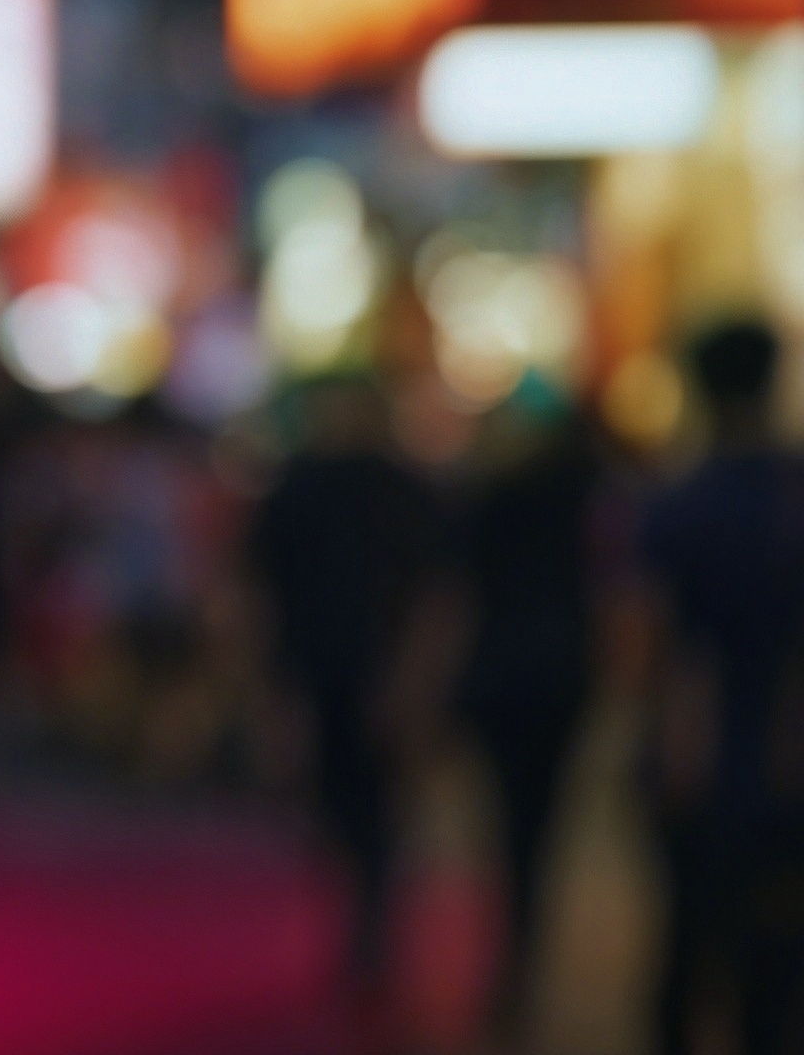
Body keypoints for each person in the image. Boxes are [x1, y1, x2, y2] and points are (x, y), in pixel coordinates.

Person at [248, 373, 442, 996]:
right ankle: (360, 919)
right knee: (332, 805)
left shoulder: (407, 492)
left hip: (380, 671)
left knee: (377, 808)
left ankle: (372, 926)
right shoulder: (294, 491)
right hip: (313, 668)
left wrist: (415, 678)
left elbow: (435, 595)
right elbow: (259, 590)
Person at [640, 320, 804, 1055]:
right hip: (785, 749)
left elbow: (640, 646)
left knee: (687, 946)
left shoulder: (675, 503)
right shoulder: (789, 495)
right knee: (777, 959)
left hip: (696, 750)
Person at [456, 392, 598, 1031]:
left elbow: (456, 595)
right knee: (538, 825)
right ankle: (523, 953)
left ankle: (513, 960)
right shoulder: (582, 502)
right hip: (562, 678)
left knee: (506, 824)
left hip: (502, 678)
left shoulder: (490, 500)